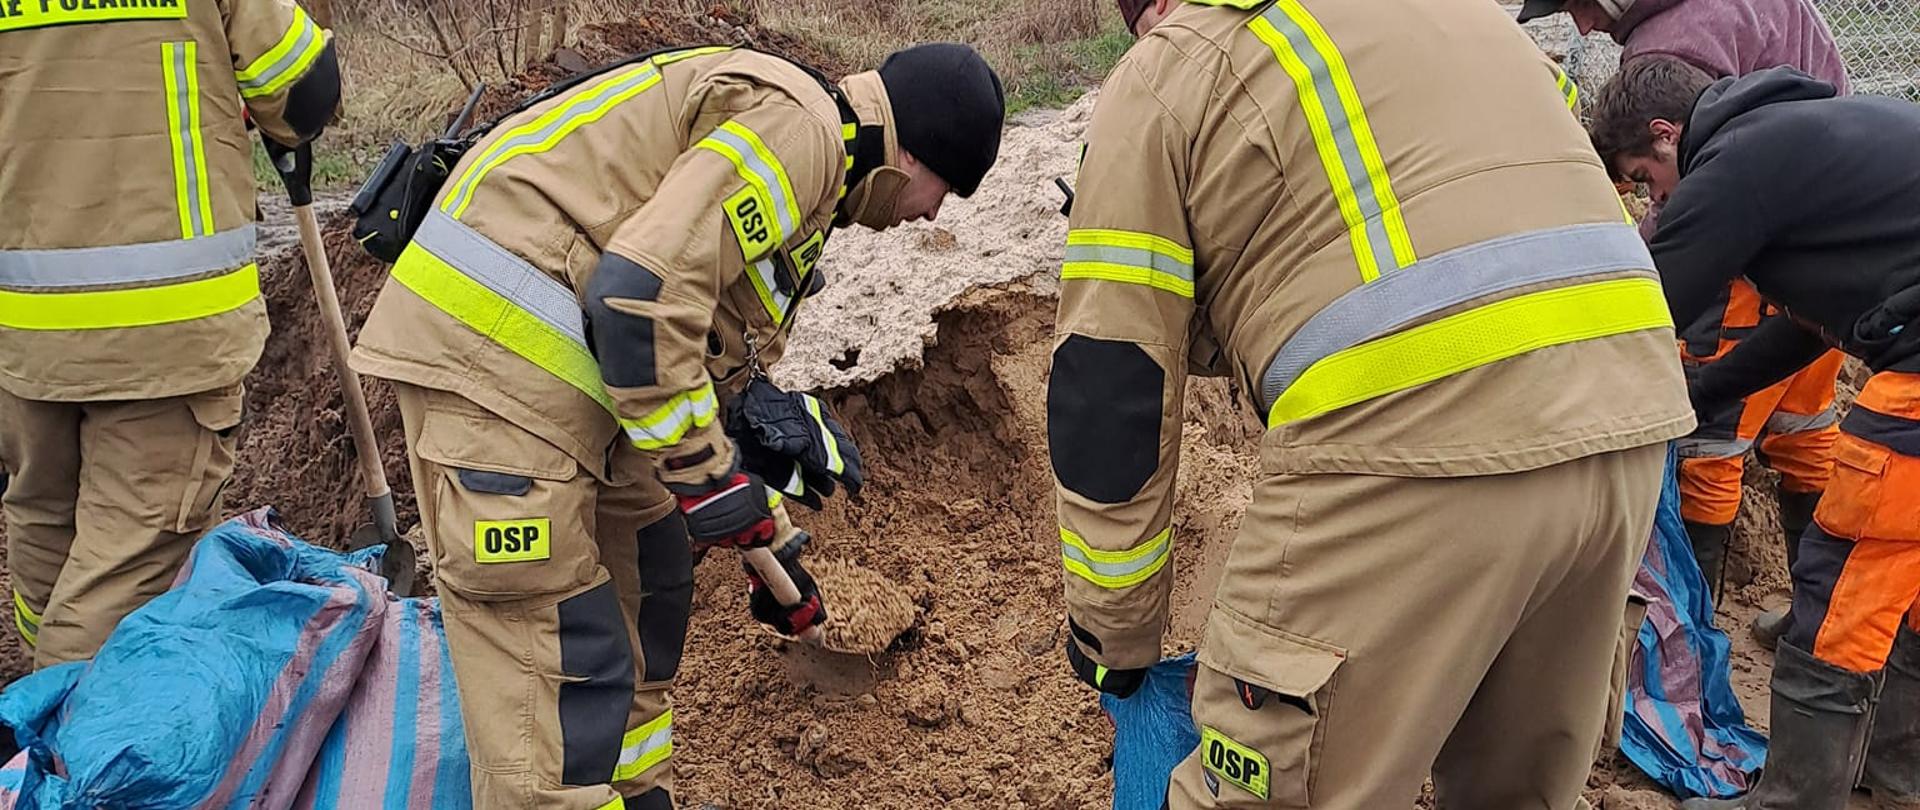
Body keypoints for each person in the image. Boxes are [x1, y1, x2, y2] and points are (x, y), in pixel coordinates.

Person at [1052, 0, 1693, 807]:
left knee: (1270, 783)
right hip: (1626, 410)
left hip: (1414, 429)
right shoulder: (1463, 16)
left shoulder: (1168, 70)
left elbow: (1112, 385)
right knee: (1519, 793)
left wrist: (1114, 637)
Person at [350, 43, 1004, 809]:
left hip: (581, 385)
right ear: (912, 150)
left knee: (654, 574)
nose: (930, 213)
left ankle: (638, 795)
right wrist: (703, 471)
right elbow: (635, 296)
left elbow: (691, 332)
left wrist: (772, 538)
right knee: (566, 652)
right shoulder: (806, 131)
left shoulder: (813, 166)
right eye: (944, 190)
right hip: (495, 367)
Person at [1587, 56, 1920, 810]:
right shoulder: (1801, 142)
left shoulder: (1738, 161)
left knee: (1836, 599)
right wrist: (1698, 391)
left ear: (1667, 137)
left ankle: (1793, 801)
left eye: (1643, 177)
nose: (1653, 198)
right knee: (1907, 589)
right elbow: (1805, 334)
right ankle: (1898, 777)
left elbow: (1647, 307)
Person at [0, 0, 342, 667]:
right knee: (127, 565)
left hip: (24, 322)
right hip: (166, 334)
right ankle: (74, 733)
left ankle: (38, 710)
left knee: (46, 518)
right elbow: (301, 91)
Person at [1521, 0, 1850, 644]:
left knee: (1708, 449)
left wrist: (1622, 276)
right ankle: (1818, 618)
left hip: (1746, 262)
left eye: (1577, 6)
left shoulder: (1670, 47)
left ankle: (1686, 640)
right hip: (1819, 242)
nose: (1582, 27)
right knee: (1803, 430)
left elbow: (1685, 206)